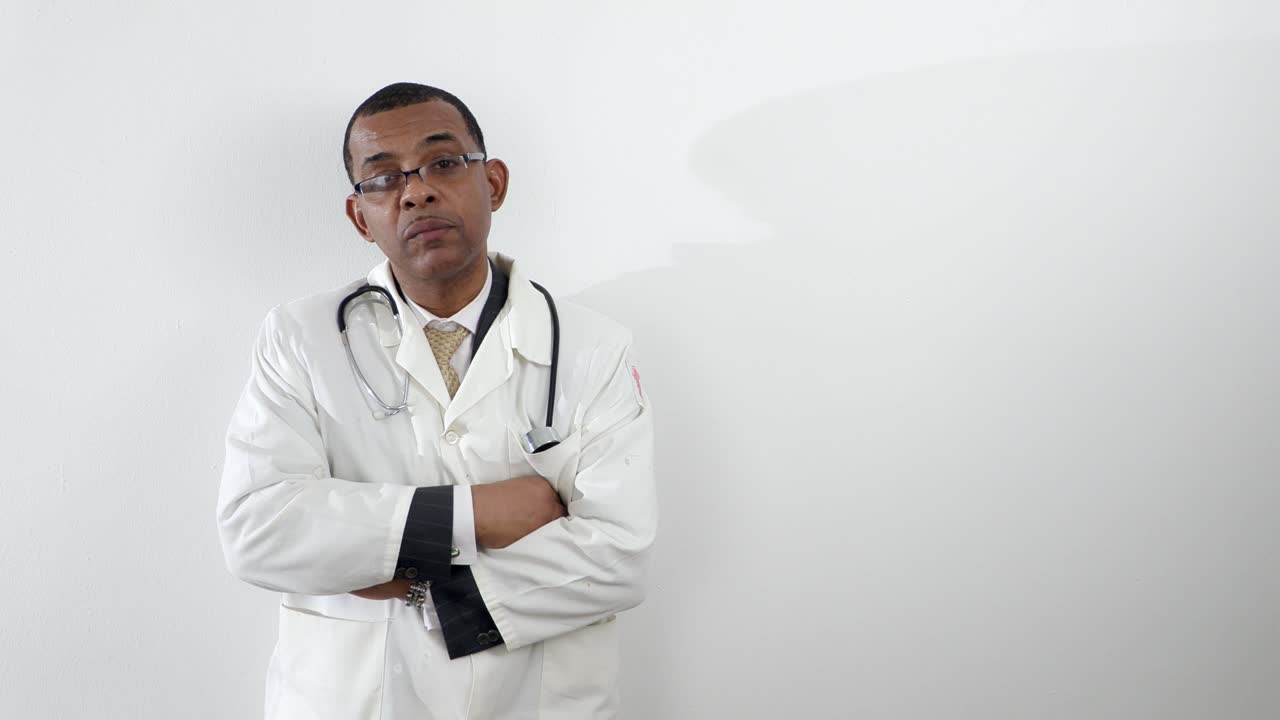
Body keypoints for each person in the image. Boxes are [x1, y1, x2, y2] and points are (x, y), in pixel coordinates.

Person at [215, 82, 657, 719]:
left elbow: (621, 554)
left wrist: (416, 585)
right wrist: (477, 514)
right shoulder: (299, 337)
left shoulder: (594, 347)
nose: (415, 191)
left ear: (494, 183)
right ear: (360, 216)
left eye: (443, 164)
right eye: (384, 178)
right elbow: (258, 530)